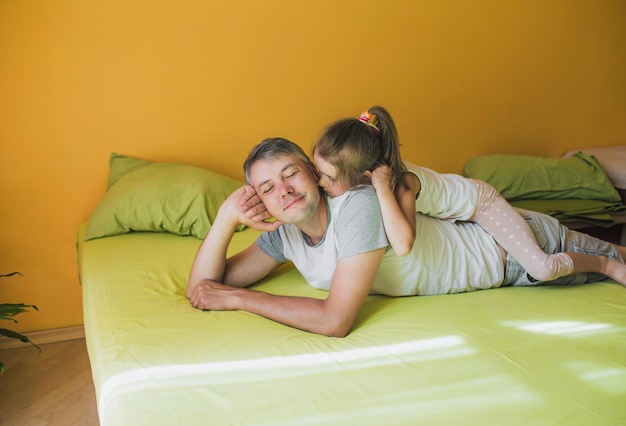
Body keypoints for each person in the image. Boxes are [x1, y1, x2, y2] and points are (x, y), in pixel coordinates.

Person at [187, 137, 626, 337]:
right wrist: (226, 218)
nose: (282, 190)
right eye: (267, 188)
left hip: (514, 248)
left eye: (290, 174)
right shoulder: (284, 237)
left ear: (316, 177)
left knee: (618, 260)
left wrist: (240, 300)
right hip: (507, 272)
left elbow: (335, 320)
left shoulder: (355, 206)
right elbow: (205, 288)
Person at [312, 105, 619, 285]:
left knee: (542, 268)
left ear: (365, 176)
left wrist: (381, 186)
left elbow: (403, 244)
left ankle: (607, 265)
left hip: (482, 204)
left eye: (328, 177)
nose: (320, 183)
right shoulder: (370, 181)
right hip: (463, 218)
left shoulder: (401, 182)